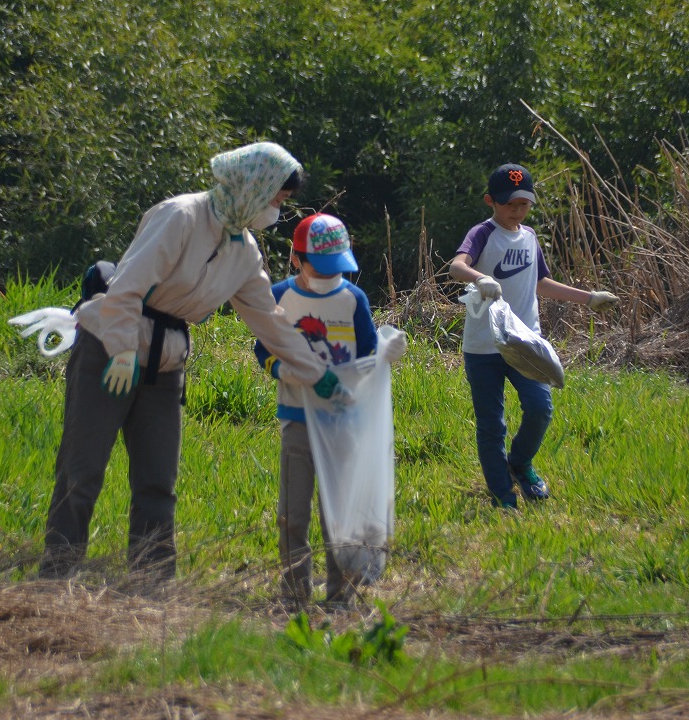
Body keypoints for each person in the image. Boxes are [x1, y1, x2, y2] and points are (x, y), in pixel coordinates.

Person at [38, 142, 350, 582]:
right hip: (109, 351)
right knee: (81, 471)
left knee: (157, 484)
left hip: (164, 364)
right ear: (252, 186)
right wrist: (124, 350)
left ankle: (152, 588)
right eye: (278, 199)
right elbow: (126, 287)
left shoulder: (244, 252)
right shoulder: (181, 217)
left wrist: (318, 374)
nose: (279, 210)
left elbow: (271, 322)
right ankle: (55, 578)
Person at [254, 213, 407, 608]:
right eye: (318, 268)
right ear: (295, 257)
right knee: (293, 513)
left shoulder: (352, 299)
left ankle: (341, 594)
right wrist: (284, 370)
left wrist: (387, 354)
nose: (327, 276)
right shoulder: (279, 297)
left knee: (338, 514)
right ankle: (294, 592)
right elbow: (263, 349)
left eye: (335, 268)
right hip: (298, 420)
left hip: (343, 422)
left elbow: (368, 353)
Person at [449, 163, 618, 509]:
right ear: (490, 201)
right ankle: (502, 495)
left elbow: (541, 283)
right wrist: (478, 278)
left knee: (540, 408)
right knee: (491, 424)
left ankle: (520, 463)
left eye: (524, 204)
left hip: (526, 343)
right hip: (483, 346)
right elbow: (456, 267)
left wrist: (589, 298)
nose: (517, 211)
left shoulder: (529, 238)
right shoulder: (483, 233)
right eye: (510, 204)